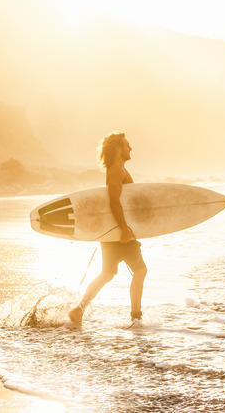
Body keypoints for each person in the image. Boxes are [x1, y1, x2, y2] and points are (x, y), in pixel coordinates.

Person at [69, 131, 148, 326]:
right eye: (127, 145)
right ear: (118, 149)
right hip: (118, 231)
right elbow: (113, 201)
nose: (131, 148)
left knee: (108, 274)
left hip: (113, 231)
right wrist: (123, 229)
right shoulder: (116, 170)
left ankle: (79, 310)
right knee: (140, 270)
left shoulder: (118, 168)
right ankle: (136, 317)